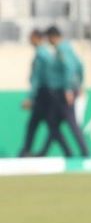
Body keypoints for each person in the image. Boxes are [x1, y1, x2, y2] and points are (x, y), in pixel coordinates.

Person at [44, 25, 89, 158]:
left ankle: (83, 152)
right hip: (66, 90)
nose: (48, 42)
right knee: (54, 123)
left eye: (49, 38)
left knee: (69, 123)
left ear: (53, 37)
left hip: (63, 93)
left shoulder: (62, 49)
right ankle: (73, 152)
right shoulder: (69, 47)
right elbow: (80, 66)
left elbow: (69, 68)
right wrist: (79, 84)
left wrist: (68, 89)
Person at [17, 27, 54, 158]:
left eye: (31, 38)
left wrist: (30, 97)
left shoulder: (41, 55)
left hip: (42, 95)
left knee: (39, 125)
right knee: (45, 125)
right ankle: (33, 150)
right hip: (47, 94)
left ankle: (29, 150)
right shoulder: (47, 53)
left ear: (36, 38)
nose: (29, 41)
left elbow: (37, 79)